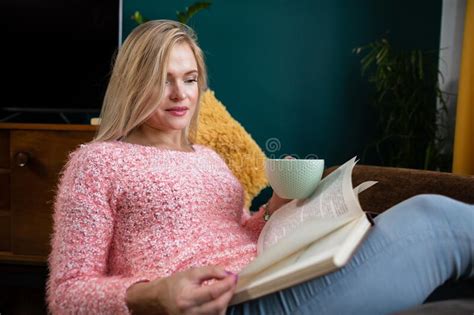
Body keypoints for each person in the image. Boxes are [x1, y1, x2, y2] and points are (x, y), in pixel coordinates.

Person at [46, 20, 474, 315]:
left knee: (425, 234)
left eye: (190, 78)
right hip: (232, 305)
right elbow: (65, 295)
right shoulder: (97, 163)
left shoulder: (209, 158)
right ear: (133, 83)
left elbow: (240, 233)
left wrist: (277, 206)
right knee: (431, 219)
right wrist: (150, 296)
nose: (180, 93)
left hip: (271, 275)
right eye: (163, 79)